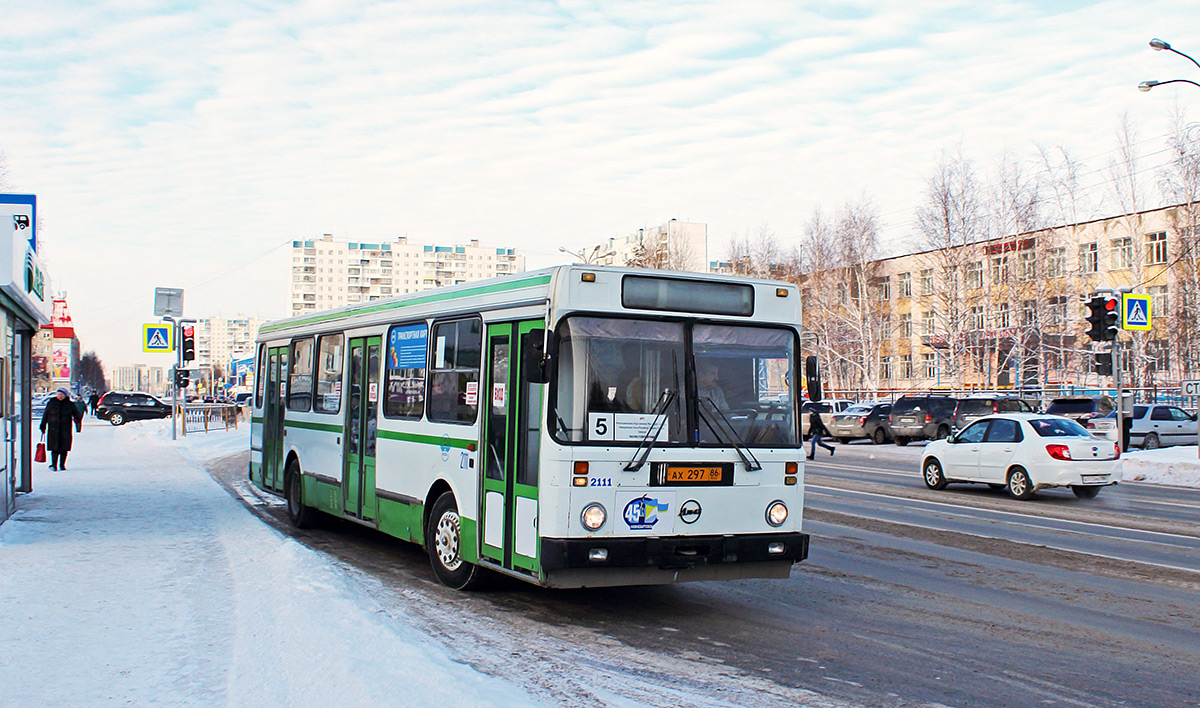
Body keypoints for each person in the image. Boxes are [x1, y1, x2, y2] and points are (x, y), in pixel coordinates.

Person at [41, 387, 83, 471]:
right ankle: (53, 465)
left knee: (64, 448)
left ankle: (62, 464)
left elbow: (77, 415)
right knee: (54, 448)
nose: (59, 396)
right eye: (58, 394)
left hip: (65, 429)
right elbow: (46, 415)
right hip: (53, 429)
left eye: (61, 395)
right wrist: (43, 425)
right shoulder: (51, 403)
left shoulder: (70, 404)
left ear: (65, 395)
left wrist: (77, 421)